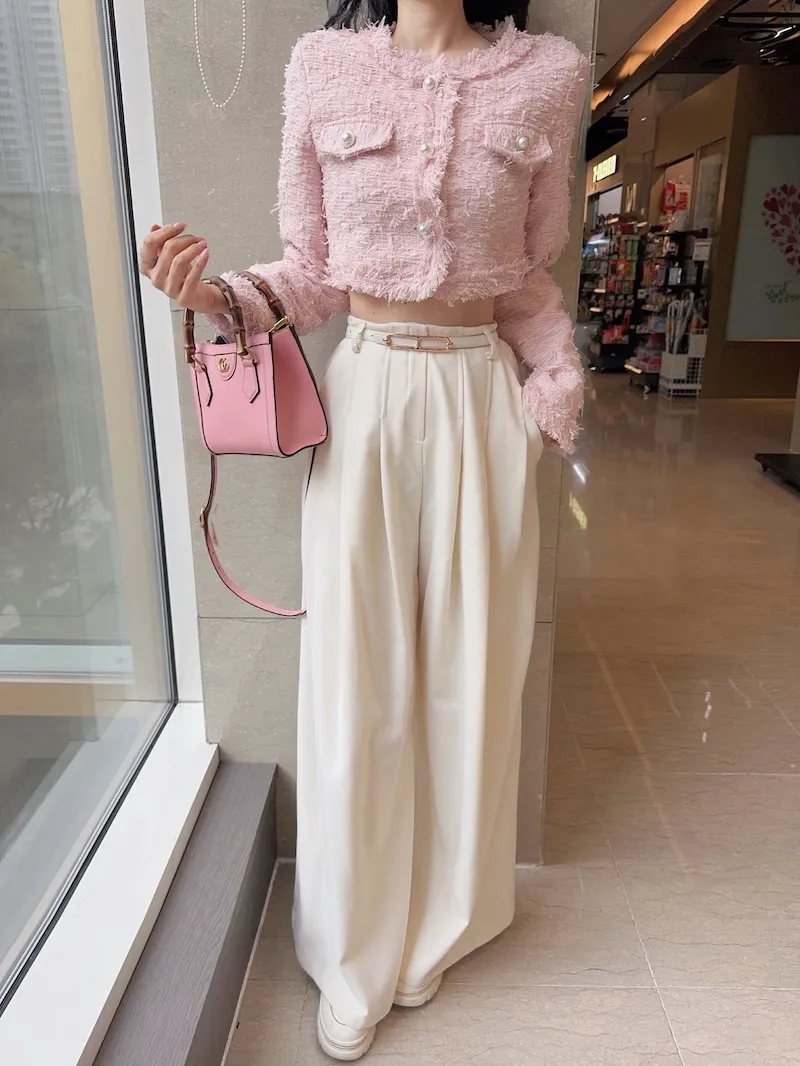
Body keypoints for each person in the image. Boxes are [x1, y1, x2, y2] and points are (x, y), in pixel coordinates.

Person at [139, 0, 588, 1059]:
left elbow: (528, 278)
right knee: (356, 673)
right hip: (369, 397)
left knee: (472, 671)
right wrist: (216, 293)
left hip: (481, 399)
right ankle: (352, 945)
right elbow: (311, 270)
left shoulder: (550, 76)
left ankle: (443, 921)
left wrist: (550, 391)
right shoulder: (322, 66)